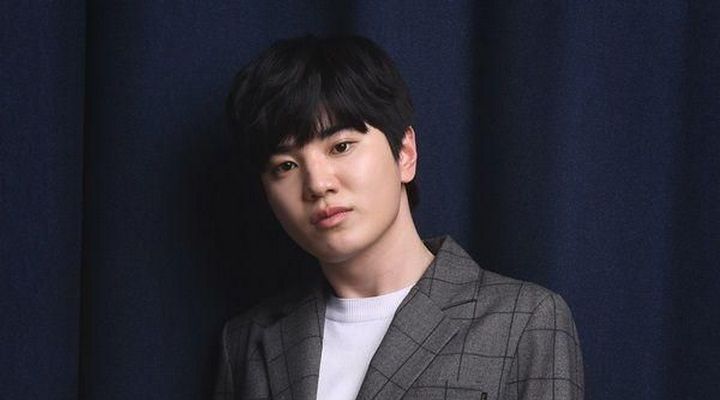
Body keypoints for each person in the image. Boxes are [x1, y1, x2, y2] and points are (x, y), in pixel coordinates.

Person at [215, 34, 583, 400]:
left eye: (341, 146)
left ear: (405, 153)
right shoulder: (247, 341)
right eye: (286, 166)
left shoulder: (524, 321)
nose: (317, 184)